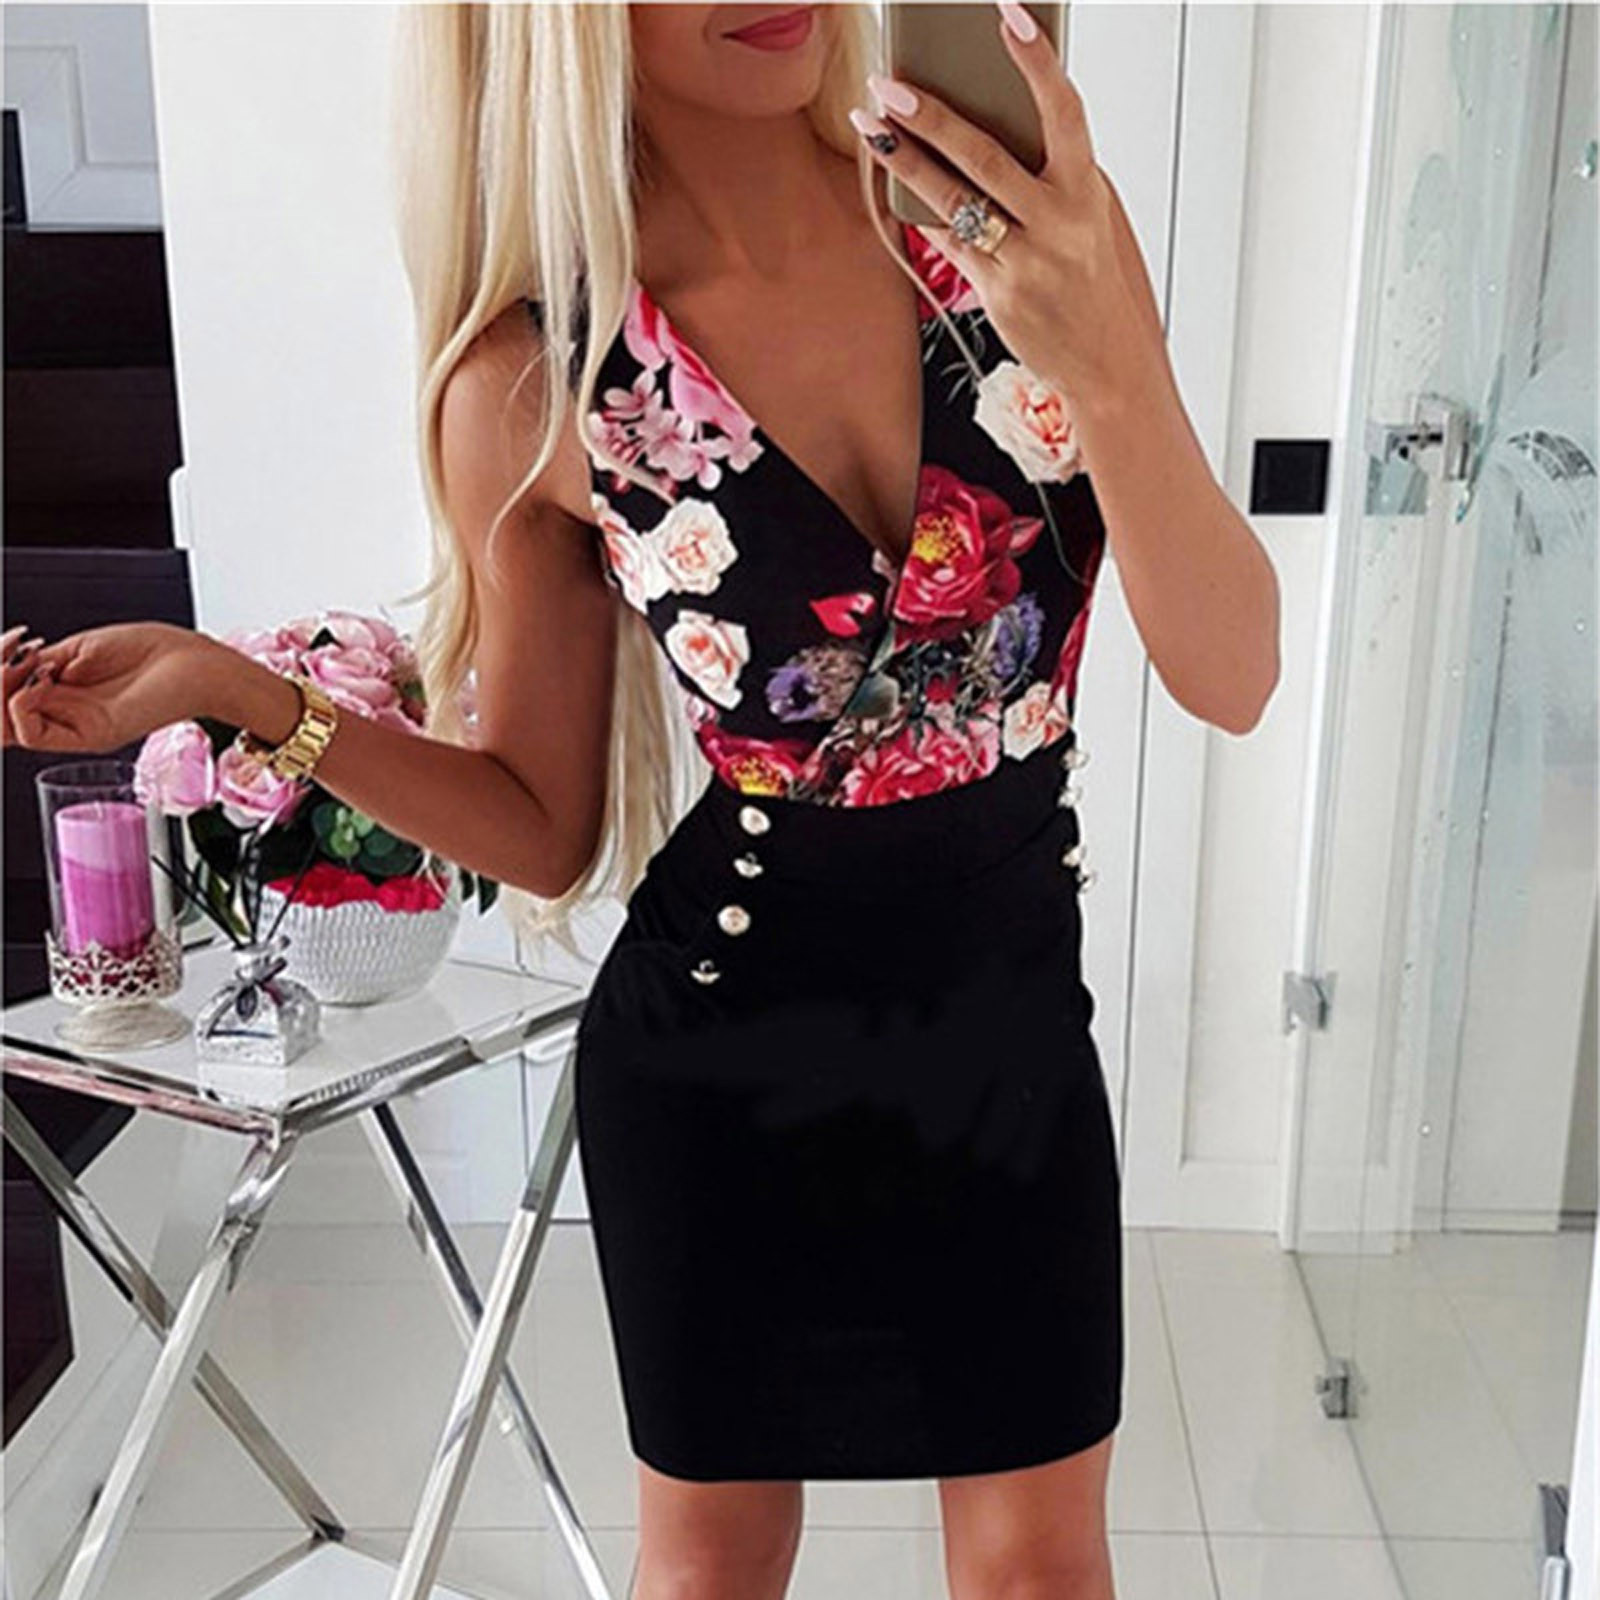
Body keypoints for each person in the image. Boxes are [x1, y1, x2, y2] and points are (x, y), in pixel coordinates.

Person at [4, 5, 1280, 1596]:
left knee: (1042, 1576)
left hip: (1010, 1038)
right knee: (708, 1578)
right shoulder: (538, 376)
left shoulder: (1016, 229)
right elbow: (544, 827)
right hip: (721, 1063)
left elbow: (1233, 673)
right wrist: (242, 693)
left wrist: (1110, 360)